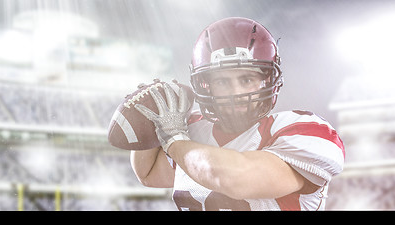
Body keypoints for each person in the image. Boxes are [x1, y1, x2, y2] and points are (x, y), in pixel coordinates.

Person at [130, 17, 345, 211]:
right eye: (222, 82)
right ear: (206, 86)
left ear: (267, 80)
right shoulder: (193, 129)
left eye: (246, 80)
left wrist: (173, 139)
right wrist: (150, 117)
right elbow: (147, 173)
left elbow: (237, 179)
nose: (236, 92)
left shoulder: (304, 131)